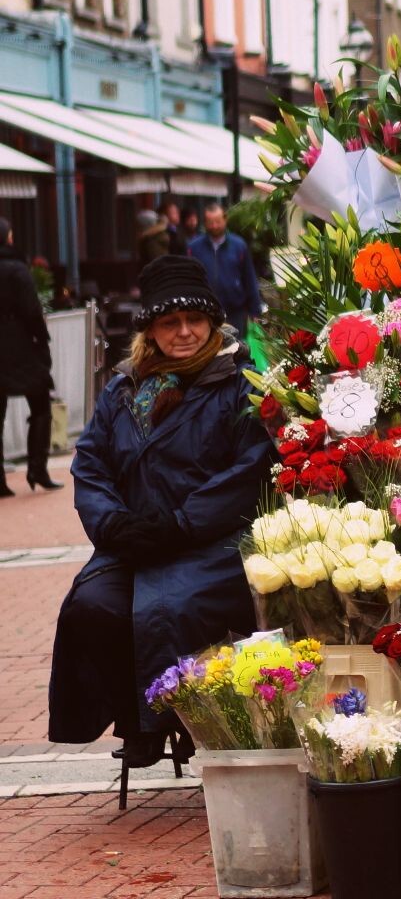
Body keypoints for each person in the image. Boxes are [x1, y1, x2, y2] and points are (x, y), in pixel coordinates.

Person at [48, 255, 275, 766]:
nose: (185, 332)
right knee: (91, 607)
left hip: (210, 542)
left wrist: (180, 524)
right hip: (132, 542)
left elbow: (249, 466)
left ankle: (171, 722)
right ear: (151, 330)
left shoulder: (240, 383)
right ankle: (135, 721)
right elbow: (90, 465)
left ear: (212, 323)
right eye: (170, 322)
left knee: (168, 608)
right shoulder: (124, 387)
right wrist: (113, 524)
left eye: (195, 320)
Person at [0, 218, 62, 496]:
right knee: (40, 405)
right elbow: (31, 310)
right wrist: (41, 338)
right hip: (21, 346)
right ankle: (38, 468)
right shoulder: (17, 268)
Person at [189, 202, 262, 337]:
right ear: (205, 223)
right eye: (210, 222)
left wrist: (255, 310)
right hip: (205, 311)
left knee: (236, 350)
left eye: (218, 221)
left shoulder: (239, 245)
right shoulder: (194, 247)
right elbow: (188, 279)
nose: (215, 226)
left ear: (225, 219)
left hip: (235, 311)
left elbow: (249, 277)